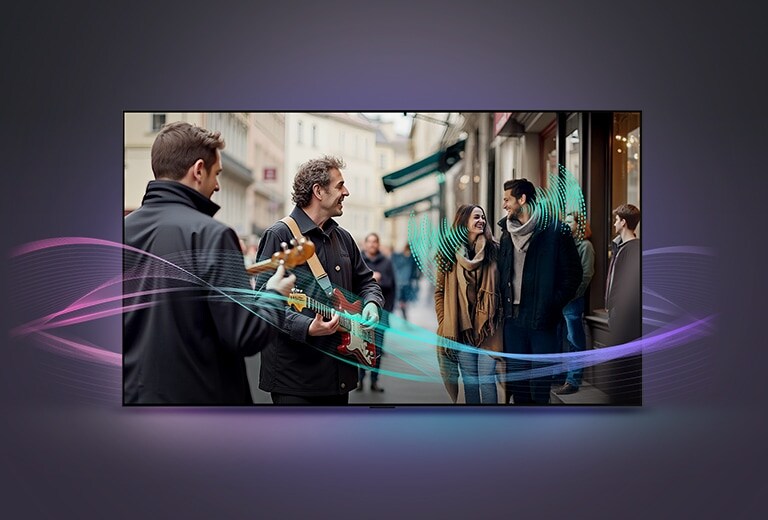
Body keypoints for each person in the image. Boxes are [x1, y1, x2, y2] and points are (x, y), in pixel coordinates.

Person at [123, 121, 295, 405]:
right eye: (217, 174)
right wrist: (275, 294)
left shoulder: (122, 231)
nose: (217, 185)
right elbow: (245, 335)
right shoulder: (212, 235)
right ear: (198, 170)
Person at [254, 156, 384, 405]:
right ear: (318, 191)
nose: (346, 192)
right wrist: (306, 327)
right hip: (294, 380)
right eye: (340, 186)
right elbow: (262, 303)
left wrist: (371, 303)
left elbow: (367, 282)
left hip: (338, 376)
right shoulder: (279, 235)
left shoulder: (343, 238)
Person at [497, 179, 582, 405]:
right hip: (512, 321)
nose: (504, 205)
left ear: (522, 199)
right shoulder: (506, 233)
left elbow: (573, 275)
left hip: (542, 321)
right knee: (518, 384)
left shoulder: (555, 231)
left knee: (540, 384)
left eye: (507, 200)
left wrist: (551, 305)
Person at [435, 204, 503, 404]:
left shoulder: (495, 250)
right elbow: (439, 292)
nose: (481, 220)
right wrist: (445, 322)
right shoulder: (447, 253)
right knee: (471, 381)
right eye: (476, 217)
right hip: (462, 329)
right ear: (464, 221)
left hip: (489, 328)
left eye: (483, 217)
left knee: (486, 378)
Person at [554, 212, 595, 395]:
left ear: (580, 225)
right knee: (561, 339)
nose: (566, 224)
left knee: (574, 341)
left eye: (570, 221)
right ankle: (561, 376)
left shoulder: (585, 246)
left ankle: (573, 380)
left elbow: (586, 276)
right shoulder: (565, 244)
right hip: (560, 301)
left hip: (573, 302)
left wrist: (569, 296)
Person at [605, 203, 642, 404]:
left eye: (617, 220)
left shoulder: (632, 250)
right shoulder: (621, 247)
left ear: (624, 222)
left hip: (623, 318)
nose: (614, 223)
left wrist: (617, 311)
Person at [357, 232, 396, 392]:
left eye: (375, 242)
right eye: (369, 242)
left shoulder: (386, 262)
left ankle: (374, 380)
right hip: (359, 312)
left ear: (378, 244)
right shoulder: (358, 261)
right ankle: (359, 380)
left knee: (377, 349)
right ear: (365, 244)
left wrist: (379, 279)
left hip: (381, 312)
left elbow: (392, 285)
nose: (372, 245)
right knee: (359, 347)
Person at [391, 242, 421, 320]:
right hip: (402, 281)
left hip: (405, 281)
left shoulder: (411, 258)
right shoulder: (402, 257)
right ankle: (402, 310)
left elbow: (417, 269)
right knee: (401, 298)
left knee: (403, 298)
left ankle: (402, 309)